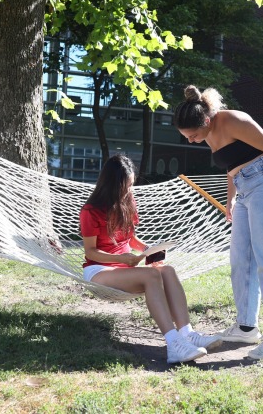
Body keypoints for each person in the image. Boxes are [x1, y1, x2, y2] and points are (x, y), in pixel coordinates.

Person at [173, 85, 263, 360]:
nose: (192, 141)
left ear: (205, 121)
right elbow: (232, 166)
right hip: (244, 191)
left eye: (193, 135)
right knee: (241, 259)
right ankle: (246, 327)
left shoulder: (233, 120)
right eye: (187, 137)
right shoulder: (208, 132)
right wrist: (232, 200)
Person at [80, 154, 222, 364]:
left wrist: (149, 251)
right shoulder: (91, 211)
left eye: (131, 185)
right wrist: (122, 258)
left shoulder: (127, 202)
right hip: (99, 271)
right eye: (125, 186)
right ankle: (173, 344)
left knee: (167, 270)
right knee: (151, 276)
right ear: (112, 184)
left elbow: (131, 239)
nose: (129, 190)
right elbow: (90, 252)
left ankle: (186, 333)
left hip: (125, 268)